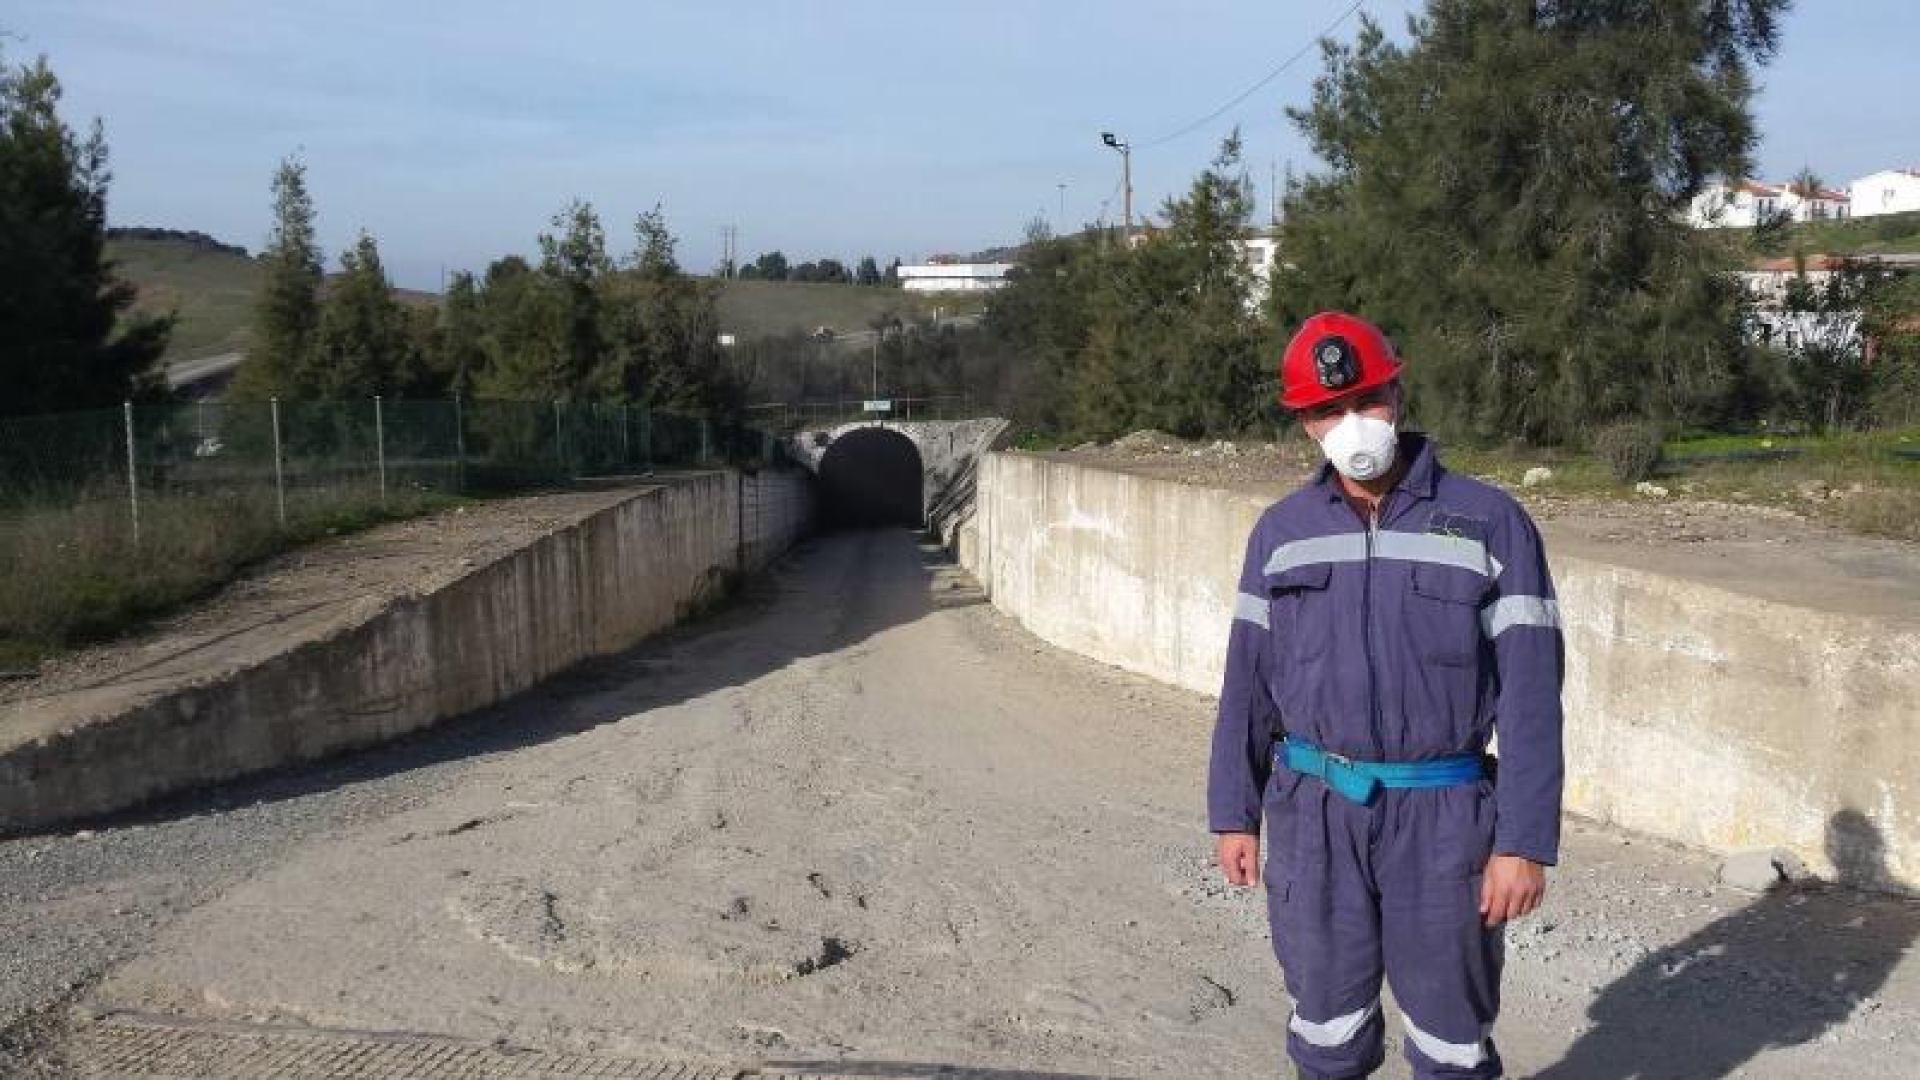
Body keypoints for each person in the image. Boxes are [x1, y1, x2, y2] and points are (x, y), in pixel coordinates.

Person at [1209, 311, 1565, 1079]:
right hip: (1314, 813)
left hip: (1444, 823)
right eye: (1327, 410)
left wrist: (1523, 842)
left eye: (1365, 399)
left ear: (1397, 393)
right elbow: (1247, 685)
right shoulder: (1280, 532)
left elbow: (1534, 697)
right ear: (1304, 423)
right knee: (1327, 1032)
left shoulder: (1490, 522)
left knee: (1450, 1042)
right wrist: (1233, 813)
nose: (1351, 424)